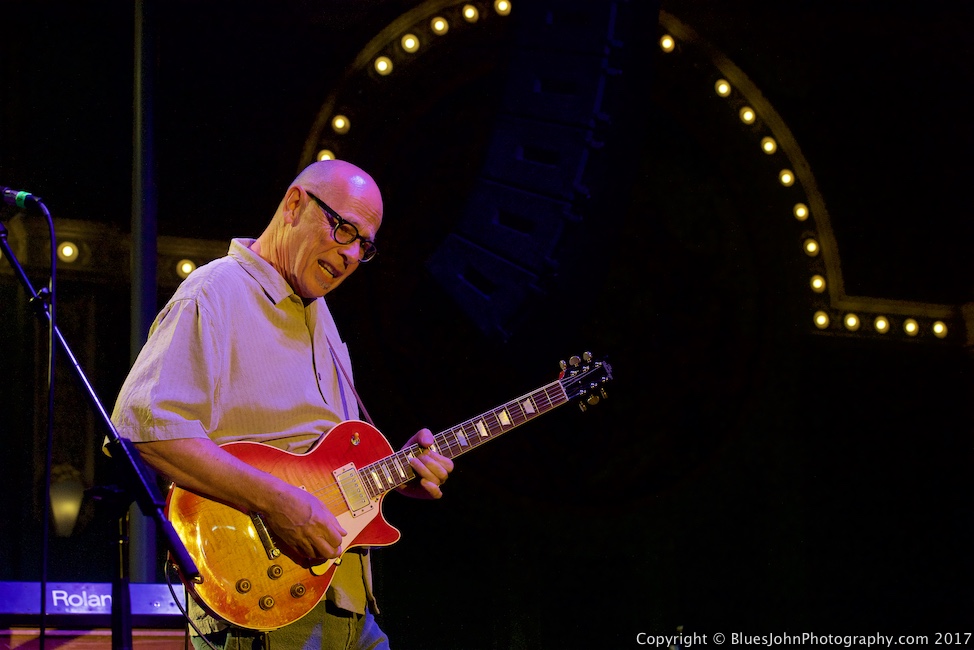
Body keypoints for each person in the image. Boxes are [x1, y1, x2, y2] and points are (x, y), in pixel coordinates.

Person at [111, 160, 454, 649]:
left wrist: (396, 474)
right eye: (343, 229)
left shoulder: (324, 319)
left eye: (365, 245)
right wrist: (276, 503)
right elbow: (146, 430)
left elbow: (322, 471)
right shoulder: (215, 291)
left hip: (347, 605)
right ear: (294, 205)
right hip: (263, 609)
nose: (352, 253)